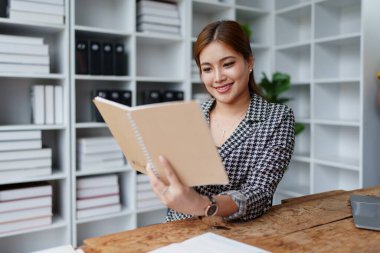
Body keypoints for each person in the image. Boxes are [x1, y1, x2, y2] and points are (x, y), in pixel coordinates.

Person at [146, 20, 295, 222]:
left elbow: (260, 193)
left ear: (249, 62)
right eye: (207, 69)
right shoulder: (192, 115)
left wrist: (202, 205)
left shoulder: (277, 118)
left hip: (239, 233)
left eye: (228, 64)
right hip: (180, 226)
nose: (217, 78)